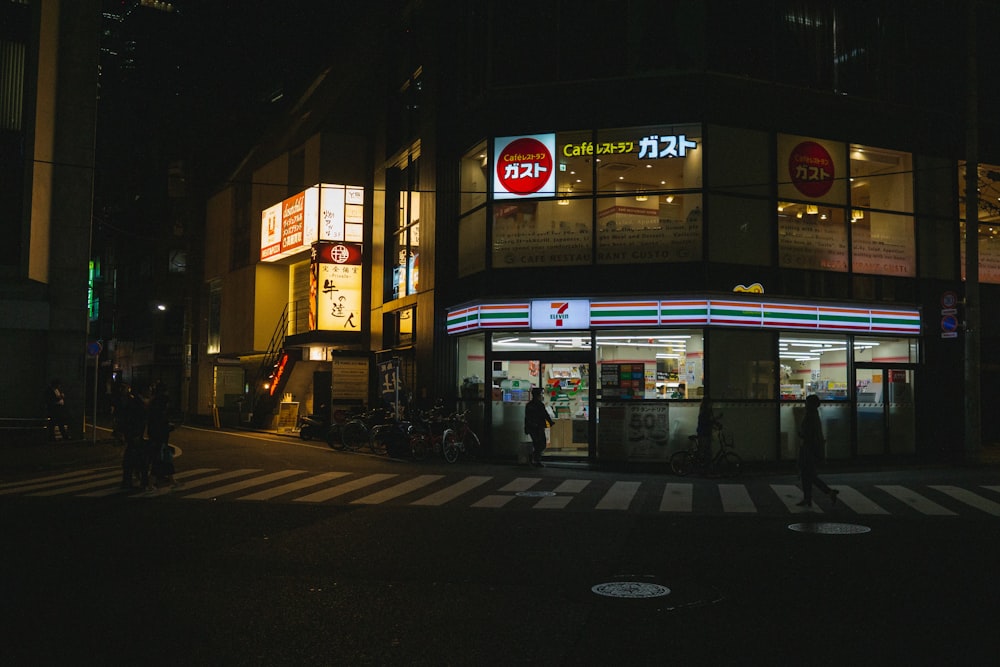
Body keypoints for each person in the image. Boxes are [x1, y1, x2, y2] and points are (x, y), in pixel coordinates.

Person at [796, 394, 839, 508]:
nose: (805, 404)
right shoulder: (814, 414)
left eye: (806, 402)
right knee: (809, 475)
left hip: (809, 449)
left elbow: (809, 433)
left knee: (808, 475)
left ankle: (822, 494)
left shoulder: (810, 416)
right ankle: (811, 497)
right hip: (813, 448)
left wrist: (801, 434)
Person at [119, 385, 150, 490]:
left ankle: (129, 480)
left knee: (131, 458)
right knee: (140, 459)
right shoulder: (138, 404)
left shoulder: (132, 402)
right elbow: (137, 420)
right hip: (135, 435)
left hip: (132, 434)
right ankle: (142, 481)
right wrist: (136, 434)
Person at [146, 381, 175, 486]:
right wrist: (168, 426)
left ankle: (171, 480)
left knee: (166, 457)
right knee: (159, 457)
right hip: (160, 435)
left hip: (155, 434)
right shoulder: (160, 404)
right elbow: (161, 420)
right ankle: (151, 483)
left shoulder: (153, 402)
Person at [523, 387, 553, 467]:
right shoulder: (539, 404)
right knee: (541, 444)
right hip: (538, 427)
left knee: (537, 443)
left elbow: (526, 417)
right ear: (538, 395)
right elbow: (545, 414)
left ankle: (534, 459)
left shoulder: (529, 405)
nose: (542, 396)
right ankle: (536, 459)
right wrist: (550, 422)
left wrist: (526, 427)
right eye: (541, 394)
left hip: (532, 427)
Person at [696, 398, 716, 465]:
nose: (711, 405)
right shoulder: (705, 412)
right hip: (704, 433)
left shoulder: (703, 411)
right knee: (706, 451)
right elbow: (707, 422)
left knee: (705, 450)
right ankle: (705, 467)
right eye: (710, 403)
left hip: (703, 432)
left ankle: (704, 467)